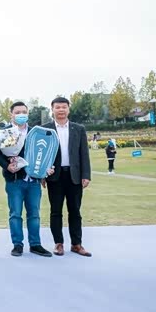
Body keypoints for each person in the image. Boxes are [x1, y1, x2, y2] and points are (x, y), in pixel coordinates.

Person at [0, 101, 53, 258]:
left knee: (34, 214)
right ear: (11, 114)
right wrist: (7, 166)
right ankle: (17, 244)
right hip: (14, 180)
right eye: (17, 112)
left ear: (28, 113)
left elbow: (45, 151)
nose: (21, 115)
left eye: (24, 112)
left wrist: (46, 169)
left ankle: (35, 244)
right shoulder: (4, 132)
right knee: (15, 214)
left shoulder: (36, 132)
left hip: (34, 180)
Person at [43, 97, 92, 257]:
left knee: (75, 211)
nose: (61, 110)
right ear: (52, 110)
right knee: (56, 211)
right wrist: (42, 174)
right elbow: (41, 154)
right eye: (58, 107)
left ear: (68, 109)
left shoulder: (79, 129)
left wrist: (86, 175)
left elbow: (84, 153)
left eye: (64, 107)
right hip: (54, 177)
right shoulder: (45, 129)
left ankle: (76, 244)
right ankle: (58, 243)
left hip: (74, 176)